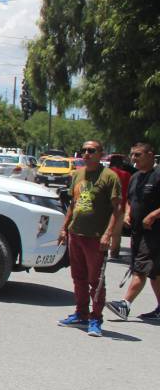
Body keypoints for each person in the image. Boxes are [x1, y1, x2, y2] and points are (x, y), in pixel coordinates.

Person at [56, 140, 121, 337]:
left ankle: (95, 318)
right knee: (79, 278)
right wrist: (64, 229)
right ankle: (81, 314)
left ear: (101, 153)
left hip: (96, 237)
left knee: (96, 281)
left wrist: (108, 234)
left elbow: (117, 208)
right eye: (83, 150)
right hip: (76, 234)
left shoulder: (110, 177)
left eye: (91, 151)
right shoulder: (78, 174)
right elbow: (73, 204)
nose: (86, 154)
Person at [106, 143, 160, 322]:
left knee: (141, 267)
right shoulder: (135, 177)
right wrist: (128, 213)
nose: (134, 158)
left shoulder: (158, 175)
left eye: (138, 155)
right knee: (155, 273)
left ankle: (125, 304)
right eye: (132, 155)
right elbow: (130, 199)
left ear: (150, 155)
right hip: (137, 231)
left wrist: (153, 215)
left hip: (154, 233)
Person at [107, 153, 132, 260]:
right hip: (120, 207)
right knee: (116, 233)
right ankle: (114, 253)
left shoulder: (106, 173)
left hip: (105, 207)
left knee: (102, 230)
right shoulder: (127, 175)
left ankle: (100, 251)